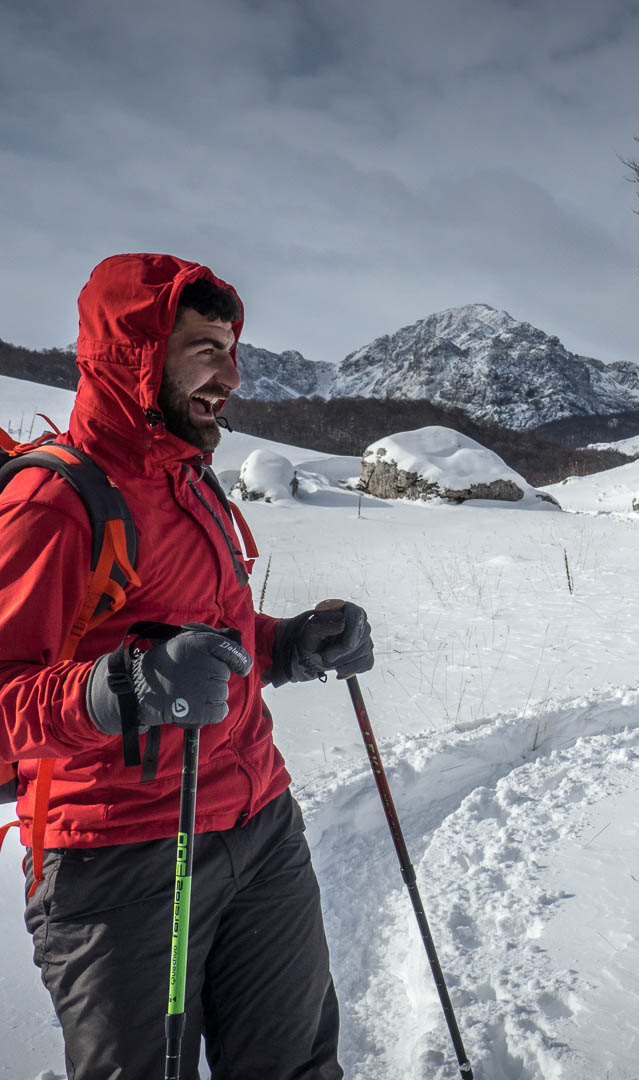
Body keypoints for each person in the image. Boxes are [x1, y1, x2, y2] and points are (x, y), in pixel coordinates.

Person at [0, 253, 373, 1079]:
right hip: (119, 859)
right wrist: (121, 687)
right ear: (137, 354)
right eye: (206, 346)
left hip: (262, 825)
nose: (231, 375)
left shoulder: (191, 482)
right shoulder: (55, 505)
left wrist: (286, 644)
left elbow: (198, 643)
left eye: (233, 350)